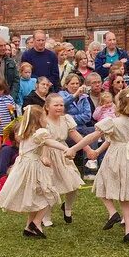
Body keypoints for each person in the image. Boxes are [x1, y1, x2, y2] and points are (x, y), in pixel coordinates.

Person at [69, 87, 129, 242]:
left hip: (118, 156)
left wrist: (74, 148)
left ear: (119, 104)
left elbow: (92, 136)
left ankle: (127, 228)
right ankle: (128, 228)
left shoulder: (113, 122)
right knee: (127, 190)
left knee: (111, 186)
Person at [0, 104, 69, 238]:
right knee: (48, 195)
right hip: (33, 167)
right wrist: (65, 148)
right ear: (38, 119)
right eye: (44, 116)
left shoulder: (24, 133)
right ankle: (36, 222)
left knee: (35, 196)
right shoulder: (39, 134)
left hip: (23, 166)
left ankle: (29, 226)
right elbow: (49, 142)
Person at [43, 94, 87, 225]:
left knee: (74, 182)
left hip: (64, 153)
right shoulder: (44, 122)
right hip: (48, 154)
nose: (59, 107)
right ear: (47, 107)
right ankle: (46, 217)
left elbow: (75, 135)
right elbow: (43, 141)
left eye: (61, 105)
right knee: (49, 186)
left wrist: (88, 149)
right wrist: (44, 157)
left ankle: (67, 208)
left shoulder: (66, 119)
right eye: (55, 105)